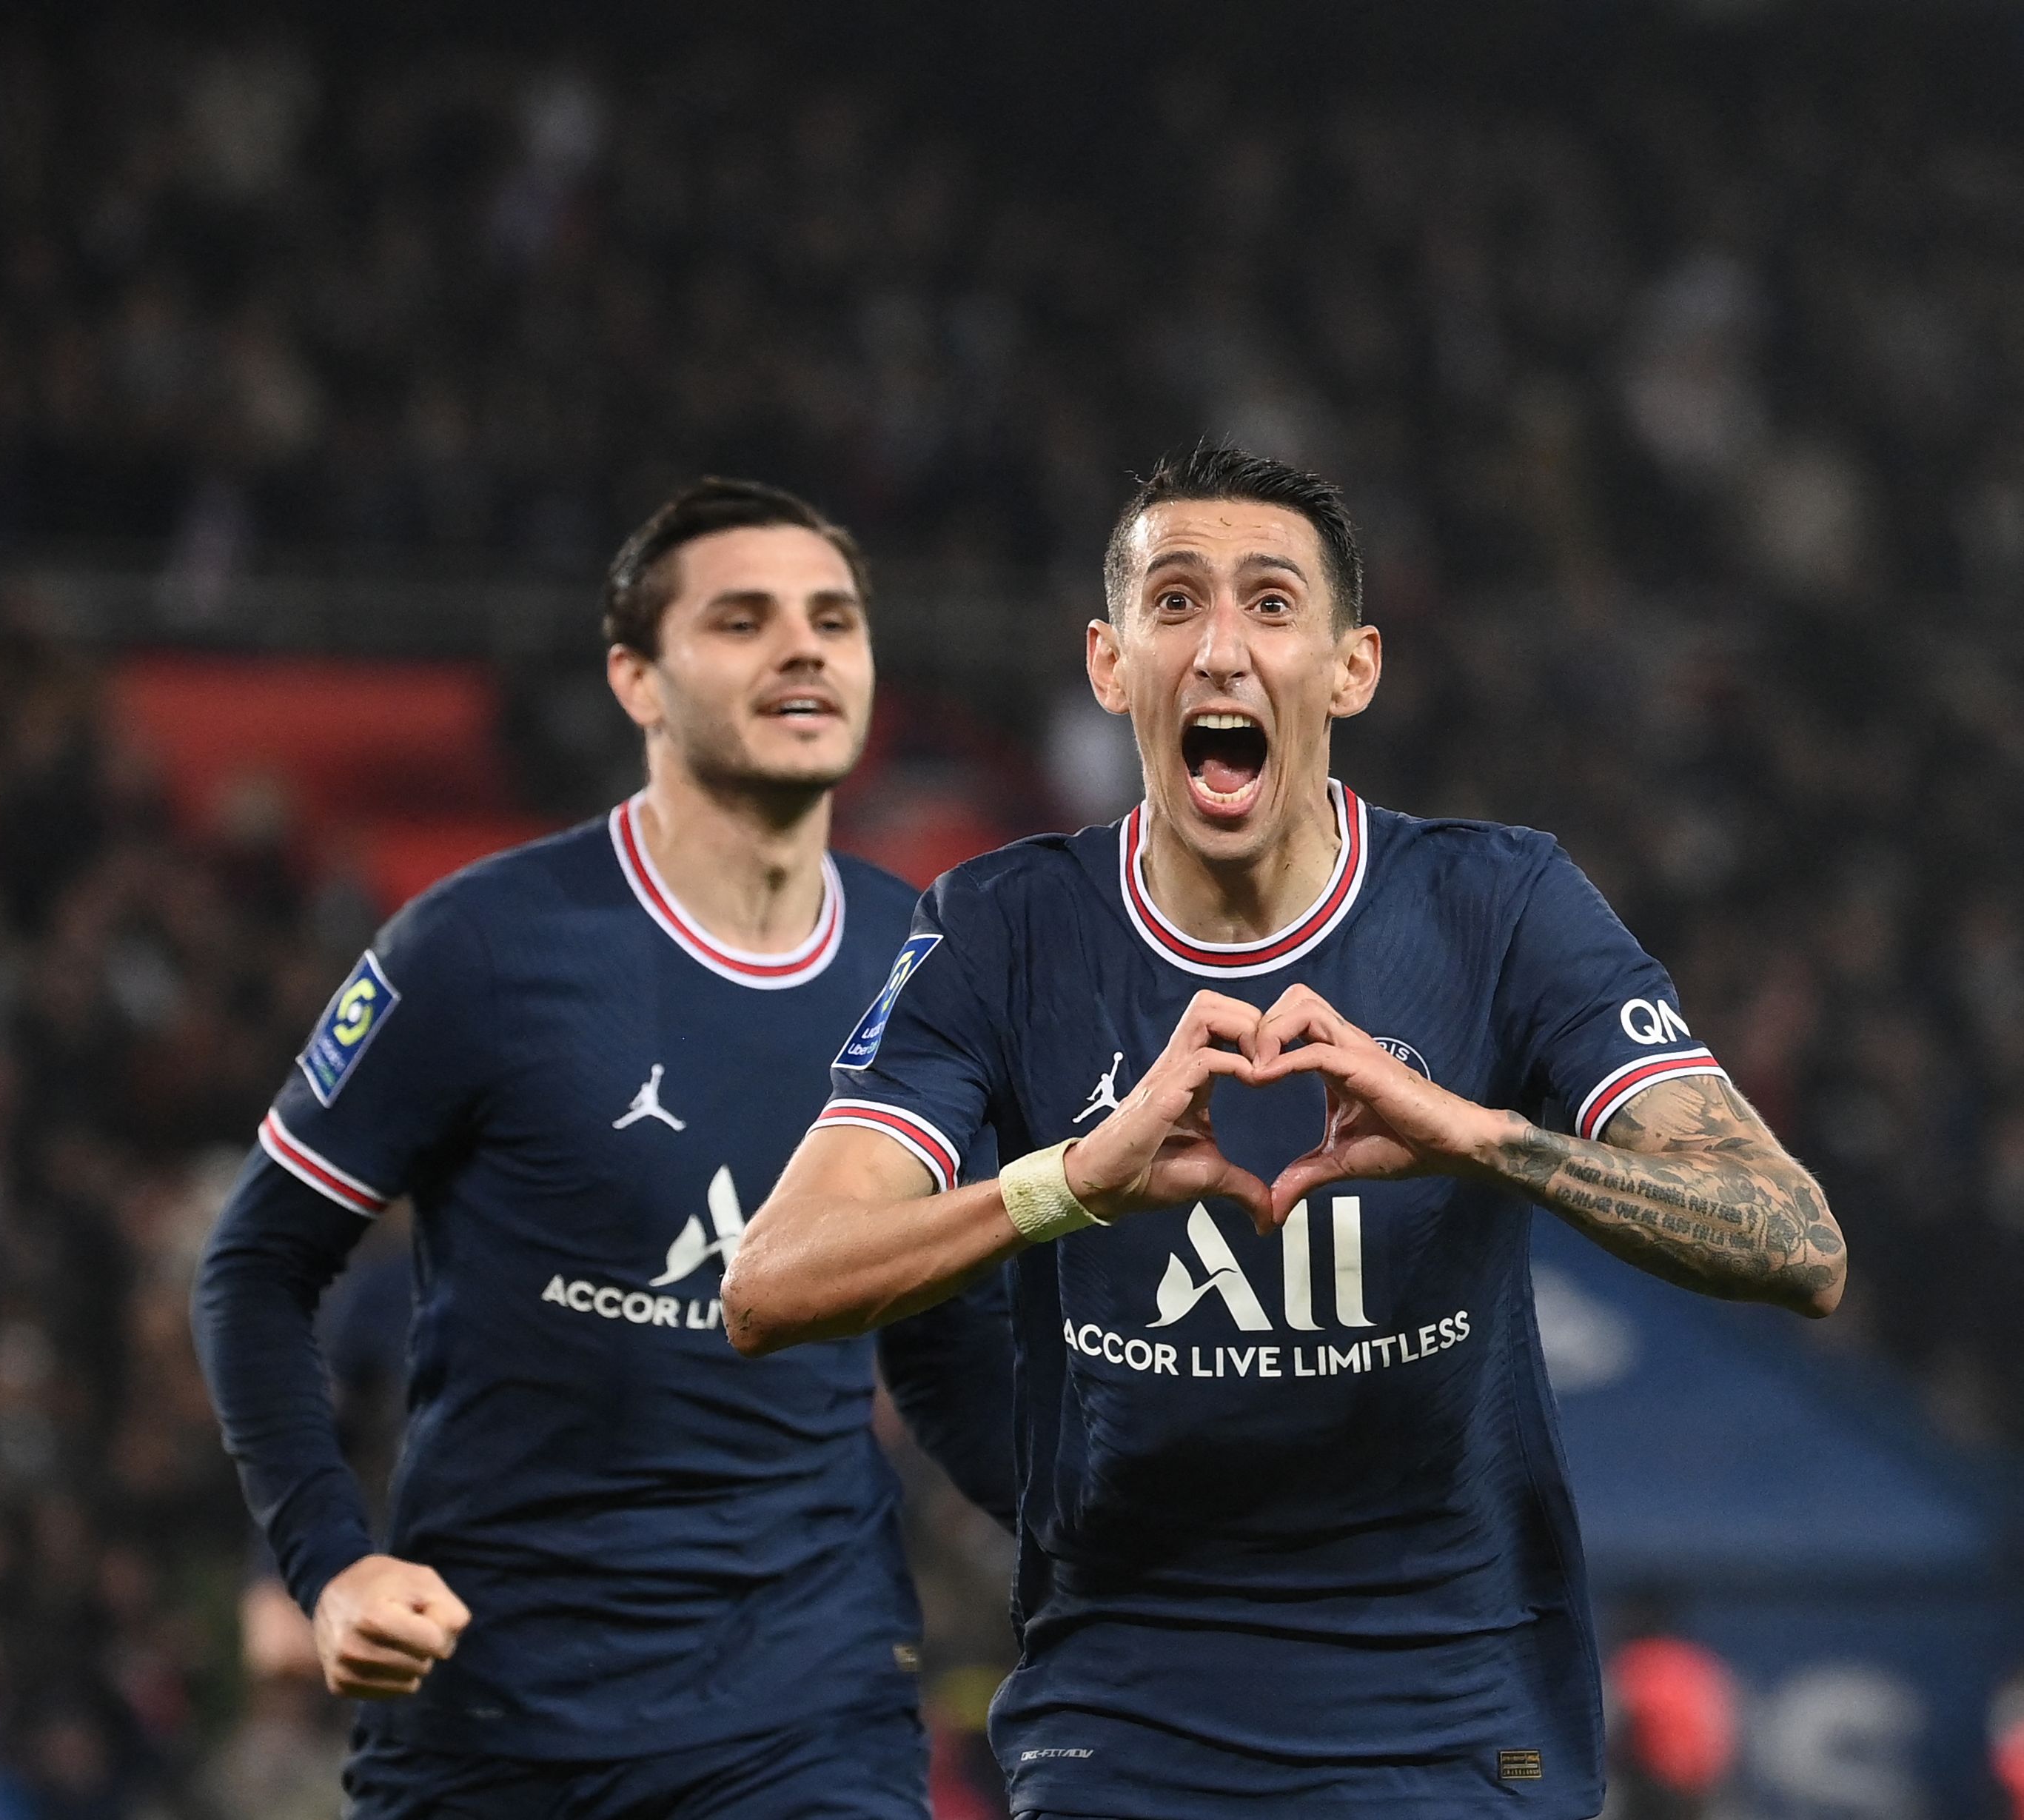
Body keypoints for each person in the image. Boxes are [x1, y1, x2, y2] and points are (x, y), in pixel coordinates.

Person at [723, 444, 1846, 1820]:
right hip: (1125, 1728)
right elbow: (771, 1282)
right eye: (1175, 600)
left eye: (1269, 602)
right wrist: (1071, 1183)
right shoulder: (997, 931)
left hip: (1458, 1728)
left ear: (1353, 666)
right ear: (1108, 661)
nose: (1220, 647)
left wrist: (1484, 1138)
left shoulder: (1502, 907)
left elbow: (1797, 1242)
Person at [195, 477, 1016, 1819]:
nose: (804, 648)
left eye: (835, 618)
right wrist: (328, 1562)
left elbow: (945, 1342)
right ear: (636, 676)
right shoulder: (479, 948)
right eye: (743, 620)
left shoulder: (934, 966)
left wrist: (1133, 1545)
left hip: (808, 1716)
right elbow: (256, 1263)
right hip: (501, 1711)